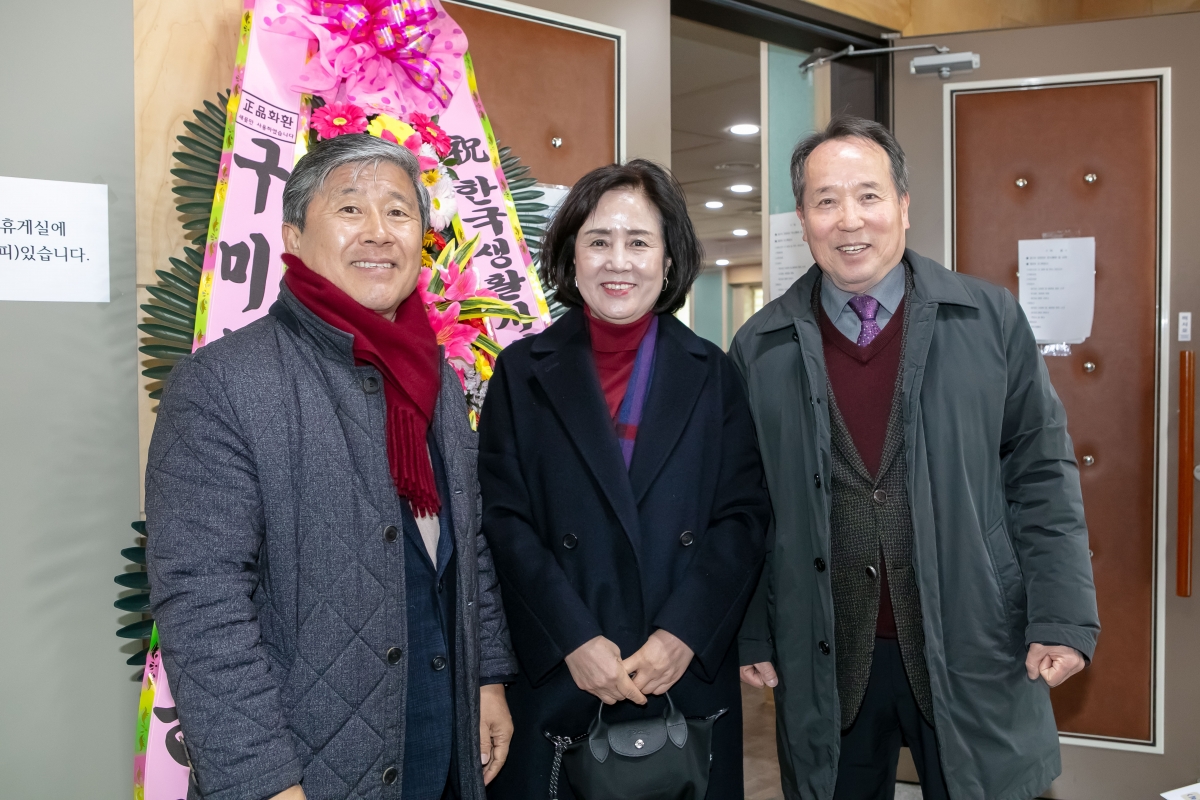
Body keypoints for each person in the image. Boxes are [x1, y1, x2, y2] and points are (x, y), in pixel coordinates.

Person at [734, 116, 1100, 800]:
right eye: (826, 201)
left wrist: (1062, 616)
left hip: (973, 638)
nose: (850, 220)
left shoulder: (988, 319)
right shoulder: (761, 346)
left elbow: (1042, 476)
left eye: (869, 195)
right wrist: (753, 632)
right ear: (803, 220)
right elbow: (746, 507)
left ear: (904, 206)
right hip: (826, 650)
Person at [146, 134, 517, 800]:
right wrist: (261, 781)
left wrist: (487, 675)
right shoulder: (223, 384)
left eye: (398, 212)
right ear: (293, 237)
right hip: (308, 765)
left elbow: (470, 540)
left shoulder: (433, 375)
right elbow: (203, 604)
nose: (379, 232)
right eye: (350, 209)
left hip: (441, 740)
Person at [477, 159, 771, 798]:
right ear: (570, 257)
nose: (618, 262)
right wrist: (574, 638)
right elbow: (504, 520)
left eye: (638, 242)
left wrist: (683, 633)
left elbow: (743, 517)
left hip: (679, 673)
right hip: (563, 667)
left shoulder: (712, 372)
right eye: (598, 241)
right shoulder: (521, 373)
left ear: (668, 260)